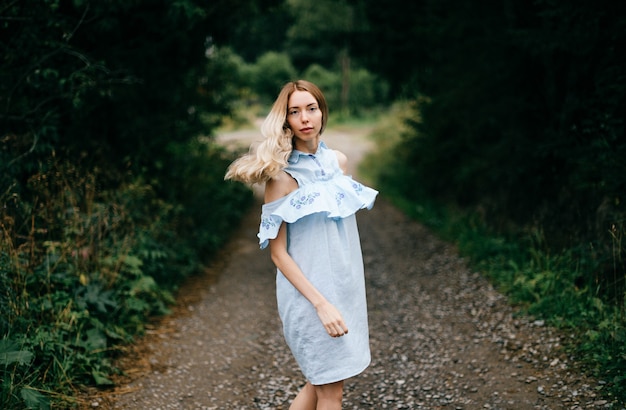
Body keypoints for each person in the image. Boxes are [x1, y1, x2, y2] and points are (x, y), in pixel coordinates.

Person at [225, 80, 377, 409]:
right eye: (295, 112)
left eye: (311, 108)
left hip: (344, 289)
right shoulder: (281, 178)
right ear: (286, 121)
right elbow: (278, 254)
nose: (305, 118)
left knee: (320, 383)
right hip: (310, 297)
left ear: (322, 113)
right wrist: (321, 304)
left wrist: (338, 297)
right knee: (330, 393)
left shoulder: (339, 162)